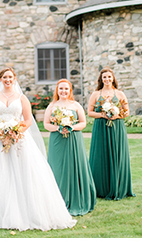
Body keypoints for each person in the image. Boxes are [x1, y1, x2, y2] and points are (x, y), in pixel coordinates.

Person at [0, 68, 75, 231]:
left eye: (10, 77)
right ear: (0, 79)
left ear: (14, 79)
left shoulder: (21, 98)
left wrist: (15, 132)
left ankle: (25, 210)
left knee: (22, 174)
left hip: (19, 140)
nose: (7, 79)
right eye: (4, 77)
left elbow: (27, 120)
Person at [42, 79, 96, 215]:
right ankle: (57, 200)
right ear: (57, 90)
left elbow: (83, 123)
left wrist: (71, 127)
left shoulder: (75, 105)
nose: (63, 91)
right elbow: (46, 124)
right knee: (57, 168)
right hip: (57, 140)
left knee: (74, 166)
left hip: (74, 140)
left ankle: (77, 198)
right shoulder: (52, 106)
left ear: (70, 90)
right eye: (61, 89)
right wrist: (58, 128)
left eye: (66, 89)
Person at [87, 68, 134, 200]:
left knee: (117, 155)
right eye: (104, 77)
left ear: (113, 78)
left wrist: (117, 115)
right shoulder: (96, 94)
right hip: (101, 127)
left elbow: (127, 112)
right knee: (100, 155)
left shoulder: (120, 94)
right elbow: (90, 112)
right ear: (101, 80)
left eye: (109, 77)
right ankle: (100, 188)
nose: (107, 79)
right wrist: (102, 114)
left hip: (117, 127)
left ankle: (119, 187)